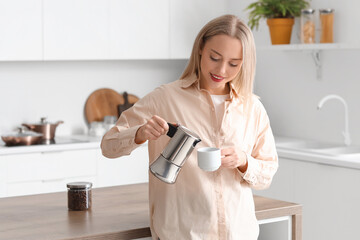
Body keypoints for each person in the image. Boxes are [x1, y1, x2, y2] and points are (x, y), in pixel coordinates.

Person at [101, 14, 278, 240]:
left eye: (234, 63)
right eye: (215, 57)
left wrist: (244, 161)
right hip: (183, 235)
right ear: (201, 49)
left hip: (239, 233)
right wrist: (139, 133)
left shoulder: (252, 108)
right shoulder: (164, 98)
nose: (222, 70)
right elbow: (108, 145)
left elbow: (267, 174)